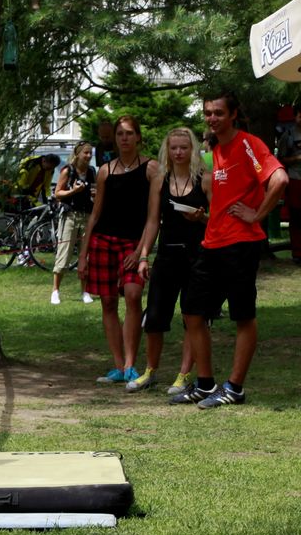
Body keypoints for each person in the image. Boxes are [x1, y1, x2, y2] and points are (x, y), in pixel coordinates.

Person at [171, 92, 287, 408]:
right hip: (212, 242)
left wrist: (257, 214)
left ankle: (234, 388)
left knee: (242, 316)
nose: (212, 118)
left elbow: (279, 179)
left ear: (233, 114)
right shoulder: (217, 150)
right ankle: (206, 384)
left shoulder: (248, 144)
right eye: (208, 113)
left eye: (219, 113)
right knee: (193, 311)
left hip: (241, 245)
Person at [78, 115, 158, 385]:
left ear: (138, 137)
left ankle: (131, 363)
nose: (124, 138)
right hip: (103, 241)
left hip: (133, 243)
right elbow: (95, 214)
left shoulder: (151, 168)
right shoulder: (105, 171)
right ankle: (118, 366)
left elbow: (153, 216)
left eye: (129, 133)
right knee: (108, 302)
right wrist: (82, 256)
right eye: (120, 134)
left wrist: (141, 252)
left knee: (134, 295)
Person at [131, 128, 211, 394]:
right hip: (167, 253)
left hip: (196, 255)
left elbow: (218, 221)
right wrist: (144, 256)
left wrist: (201, 218)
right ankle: (150, 371)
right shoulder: (159, 180)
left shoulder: (205, 180)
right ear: (167, 150)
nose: (178, 153)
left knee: (193, 318)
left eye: (184, 148)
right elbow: (153, 220)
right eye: (174, 148)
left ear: (193, 150)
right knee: (154, 316)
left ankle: (183, 374)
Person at [50, 142, 96, 305]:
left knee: (86, 255)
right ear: (78, 154)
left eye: (90, 153)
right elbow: (58, 194)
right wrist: (73, 191)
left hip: (87, 215)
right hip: (70, 215)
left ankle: (85, 291)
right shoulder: (67, 170)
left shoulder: (91, 171)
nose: (89, 156)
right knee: (64, 253)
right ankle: (55, 291)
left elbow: (94, 190)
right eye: (86, 153)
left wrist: (94, 193)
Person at [276, 106, 301, 264]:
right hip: (295, 179)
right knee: (297, 216)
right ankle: (298, 253)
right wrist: (297, 159)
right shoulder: (288, 135)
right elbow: (281, 159)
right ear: (295, 117)